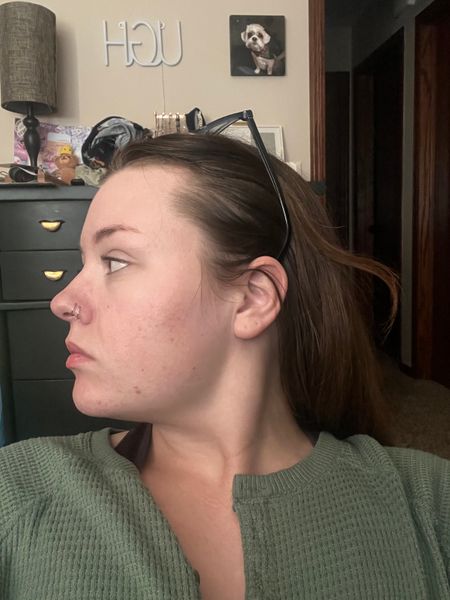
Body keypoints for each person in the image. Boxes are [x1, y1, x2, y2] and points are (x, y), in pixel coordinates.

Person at [0, 111, 449, 600]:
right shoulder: (17, 492)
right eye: (83, 263)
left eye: (116, 261)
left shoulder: (429, 505)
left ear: (253, 298)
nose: (63, 301)